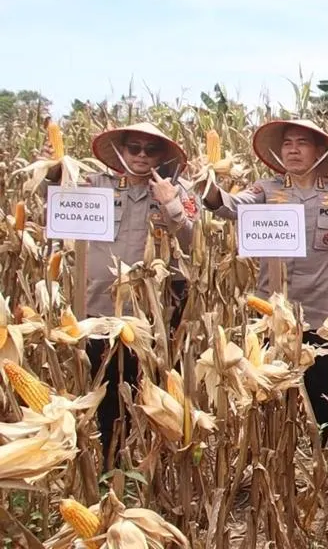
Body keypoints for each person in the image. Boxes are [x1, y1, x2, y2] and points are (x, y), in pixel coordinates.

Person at [197, 118, 328, 442]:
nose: (293, 149)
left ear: (318, 150)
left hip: (321, 316)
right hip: (271, 314)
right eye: (288, 143)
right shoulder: (265, 190)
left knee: (322, 400)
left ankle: (327, 464)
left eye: (302, 143)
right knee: (268, 397)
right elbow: (230, 207)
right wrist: (206, 186)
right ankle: (274, 470)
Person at [41, 122, 196, 470]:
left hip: (152, 314)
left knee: (147, 391)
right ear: (122, 152)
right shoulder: (95, 186)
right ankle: (109, 465)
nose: (141, 156)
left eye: (150, 150)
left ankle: (150, 464)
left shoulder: (176, 191)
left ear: (161, 156)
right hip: (98, 308)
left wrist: (171, 205)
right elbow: (54, 208)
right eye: (134, 148)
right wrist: (52, 175)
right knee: (104, 389)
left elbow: (191, 241)